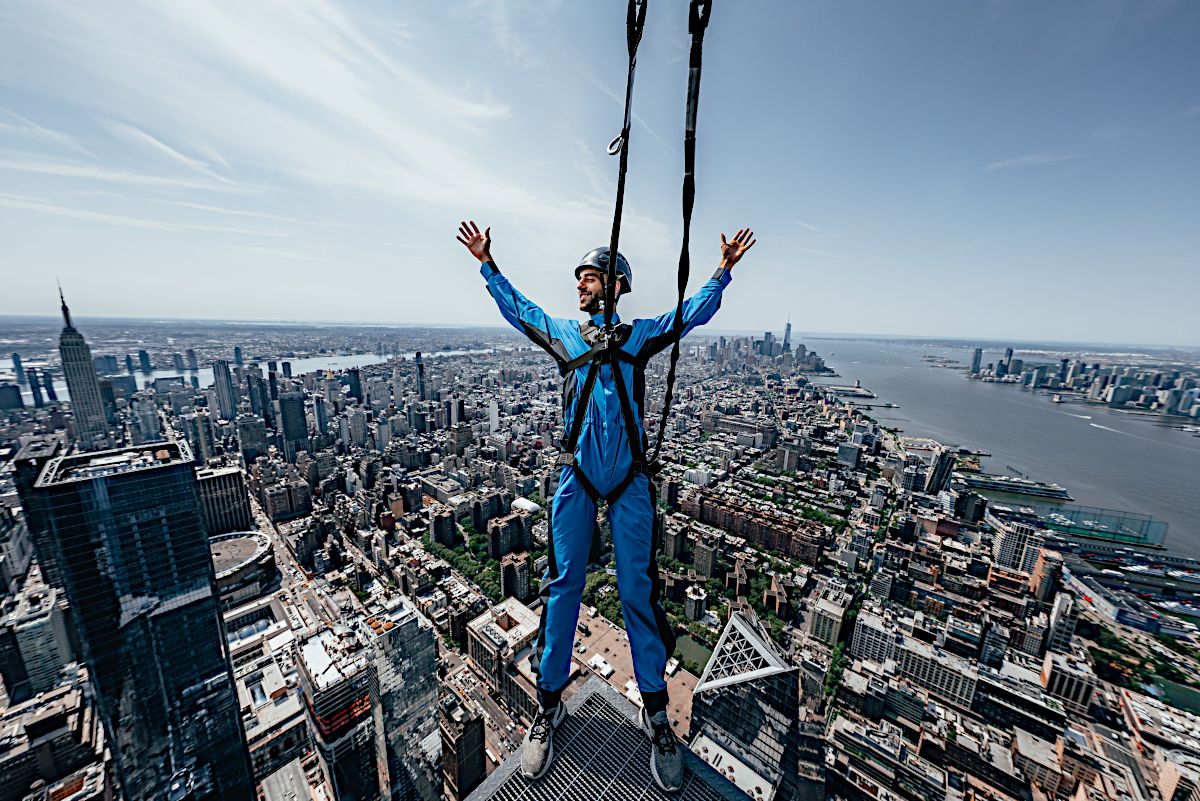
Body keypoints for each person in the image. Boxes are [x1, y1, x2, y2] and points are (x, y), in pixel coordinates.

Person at [455, 220, 755, 792]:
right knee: (564, 587)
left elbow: (687, 316)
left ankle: (657, 715)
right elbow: (523, 312)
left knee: (637, 592)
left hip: (630, 482)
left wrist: (722, 272)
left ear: (615, 285)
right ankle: (548, 707)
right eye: (580, 279)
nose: (580, 287)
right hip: (577, 477)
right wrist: (488, 266)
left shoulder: (637, 338)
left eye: (589, 278)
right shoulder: (569, 337)